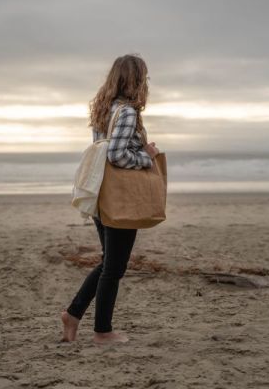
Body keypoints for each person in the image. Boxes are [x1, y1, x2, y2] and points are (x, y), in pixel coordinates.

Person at [61, 54, 160, 344]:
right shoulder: (128, 113)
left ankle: (73, 315)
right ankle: (103, 331)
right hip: (121, 197)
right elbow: (116, 155)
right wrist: (146, 156)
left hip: (101, 193)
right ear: (137, 80)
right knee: (115, 267)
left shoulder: (104, 111)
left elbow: (102, 150)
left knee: (109, 263)